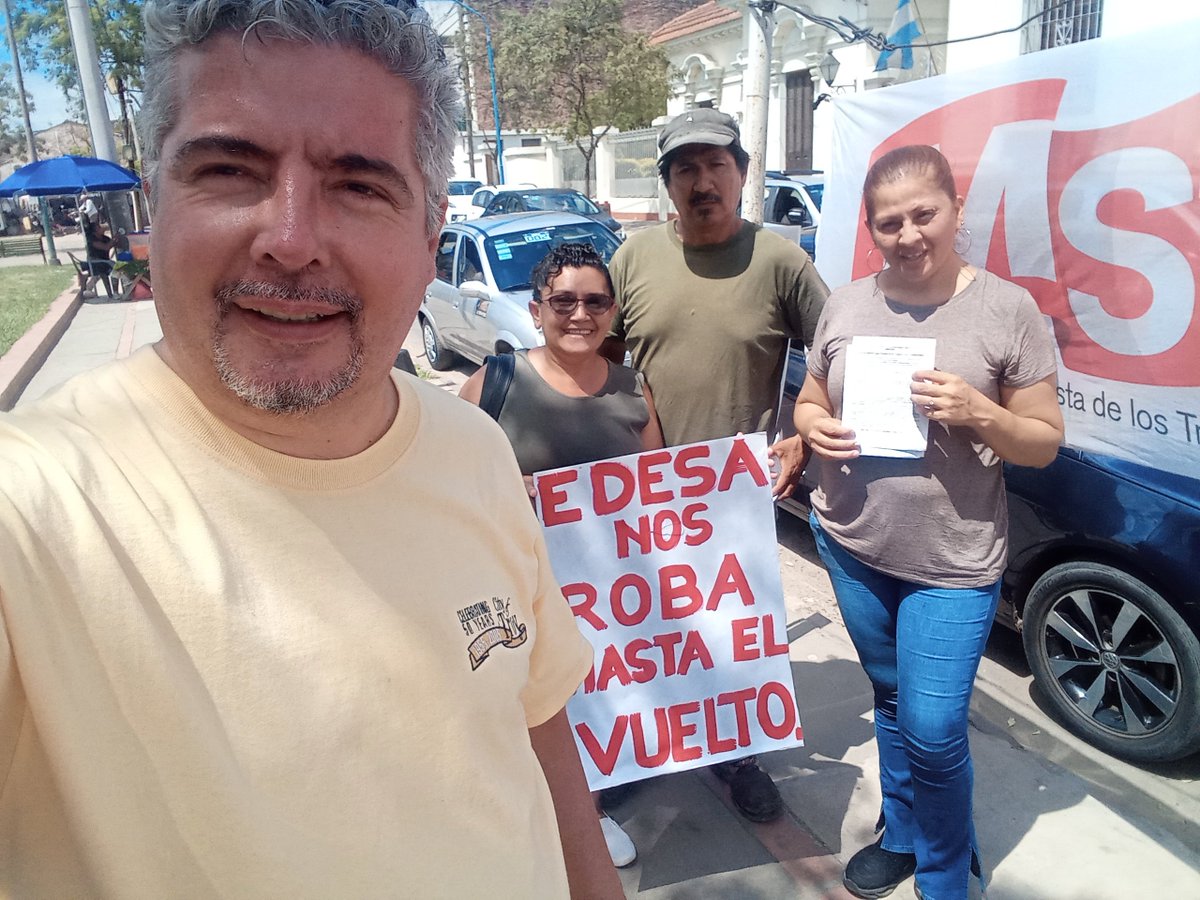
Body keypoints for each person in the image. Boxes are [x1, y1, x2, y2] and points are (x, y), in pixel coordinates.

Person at [0, 2, 621, 897]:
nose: (290, 241)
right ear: (155, 204)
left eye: (359, 186)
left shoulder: (475, 449)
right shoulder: (35, 505)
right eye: (228, 170)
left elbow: (538, 731)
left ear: (430, 235)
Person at [792, 145, 1064, 900]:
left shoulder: (1006, 310)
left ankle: (944, 872)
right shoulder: (847, 304)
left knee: (936, 727)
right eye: (890, 223)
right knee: (890, 699)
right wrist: (813, 426)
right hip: (852, 542)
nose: (909, 234)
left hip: (954, 561)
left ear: (956, 210)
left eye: (924, 215)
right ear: (870, 230)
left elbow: (1043, 442)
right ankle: (904, 833)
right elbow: (810, 398)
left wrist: (979, 411)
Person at [603, 106, 829, 823]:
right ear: (668, 182)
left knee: (729, 638)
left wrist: (804, 433)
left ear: (741, 173)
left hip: (733, 496)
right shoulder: (632, 259)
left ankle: (739, 756)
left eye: (715, 165)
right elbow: (598, 363)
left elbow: (836, 358)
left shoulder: (781, 261)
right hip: (641, 490)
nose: (702, 182)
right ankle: (644, 749)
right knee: (649, 638)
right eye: (685, 169)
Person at [461, 242, 664, 870]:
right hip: (517, 587)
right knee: (530, 702)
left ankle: (587, 812)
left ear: (612, 311)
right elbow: (446, 479)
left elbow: (659, 486)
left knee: (594, 696)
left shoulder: (633, 388)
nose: (580, 314)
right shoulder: (495, 382)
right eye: (564, 300)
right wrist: (505, 488)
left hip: (609, 593)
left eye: (596, 301)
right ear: (537, 308)